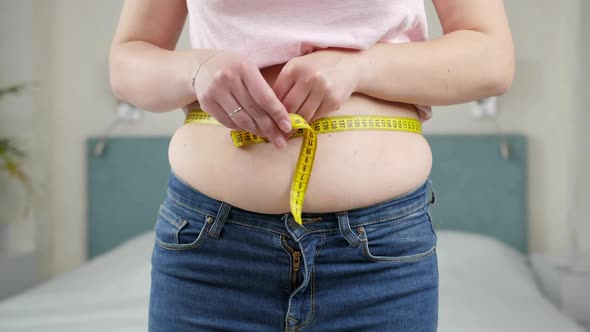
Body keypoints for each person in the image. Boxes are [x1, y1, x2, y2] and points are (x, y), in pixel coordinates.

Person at [109, 0, 514, 330]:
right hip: (208, 256)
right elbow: (127, 61)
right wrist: (195, 69)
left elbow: (492, 59)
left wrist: (359, 68)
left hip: (379, 261)